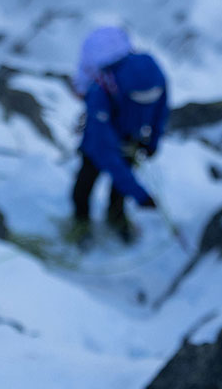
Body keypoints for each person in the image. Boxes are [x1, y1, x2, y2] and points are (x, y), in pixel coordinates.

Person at [68, 25, 170, 245]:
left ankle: (81, 227)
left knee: (83, 187)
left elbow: (102, 151)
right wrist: (152, 142)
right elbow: (161, 111)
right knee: (119, 191)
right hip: (131, 140)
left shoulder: (99, 92)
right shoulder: (153, 71)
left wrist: (140, 194)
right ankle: (116, 220)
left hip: (100, 142)